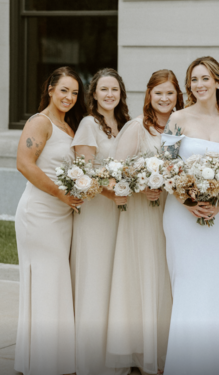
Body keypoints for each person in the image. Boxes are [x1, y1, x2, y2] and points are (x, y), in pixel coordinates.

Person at [161, 56, 219, 375]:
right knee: (187, 282)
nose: (200, 84)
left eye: (206, 78)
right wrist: (186, 200)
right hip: (182, 213)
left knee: (215, 280)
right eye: (194, 79)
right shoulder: (177, 118)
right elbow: (166, 167)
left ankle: (214, 362)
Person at [106, 70, 184, 375]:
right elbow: (114, 172)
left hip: (172, 210)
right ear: (149, 95)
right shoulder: (137, 127)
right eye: (159, 93)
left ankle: (165, 347)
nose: (164, 99)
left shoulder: (180, 125)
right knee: (145, 270)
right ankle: (142, 351)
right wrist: (141, 185)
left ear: (178, 95)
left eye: (170, 93)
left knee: (167, 273)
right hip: (143, 212)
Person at [14, 66, 86, 375]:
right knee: (44, 278)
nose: (69, 97)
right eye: (64, 90)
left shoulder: (69, 126)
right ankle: (42, 362)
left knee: (57, 280)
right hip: (40, 212)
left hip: (62, 213)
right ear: (50, 90)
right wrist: (60, 193)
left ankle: (55, 358)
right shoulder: (40, 122)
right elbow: (24, 164)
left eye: (74, 92)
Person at [70, 68, 131, 375]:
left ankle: (113, 352)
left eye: (115, 90)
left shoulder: (124, 124)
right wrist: (111, 194)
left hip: (121, 213)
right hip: (96, 212)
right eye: (103, 89)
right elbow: (83, 174)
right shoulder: (88, 124)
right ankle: (90, 359)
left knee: (113, 280)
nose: (109, 94)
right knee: (94, 278)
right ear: (93, 94)